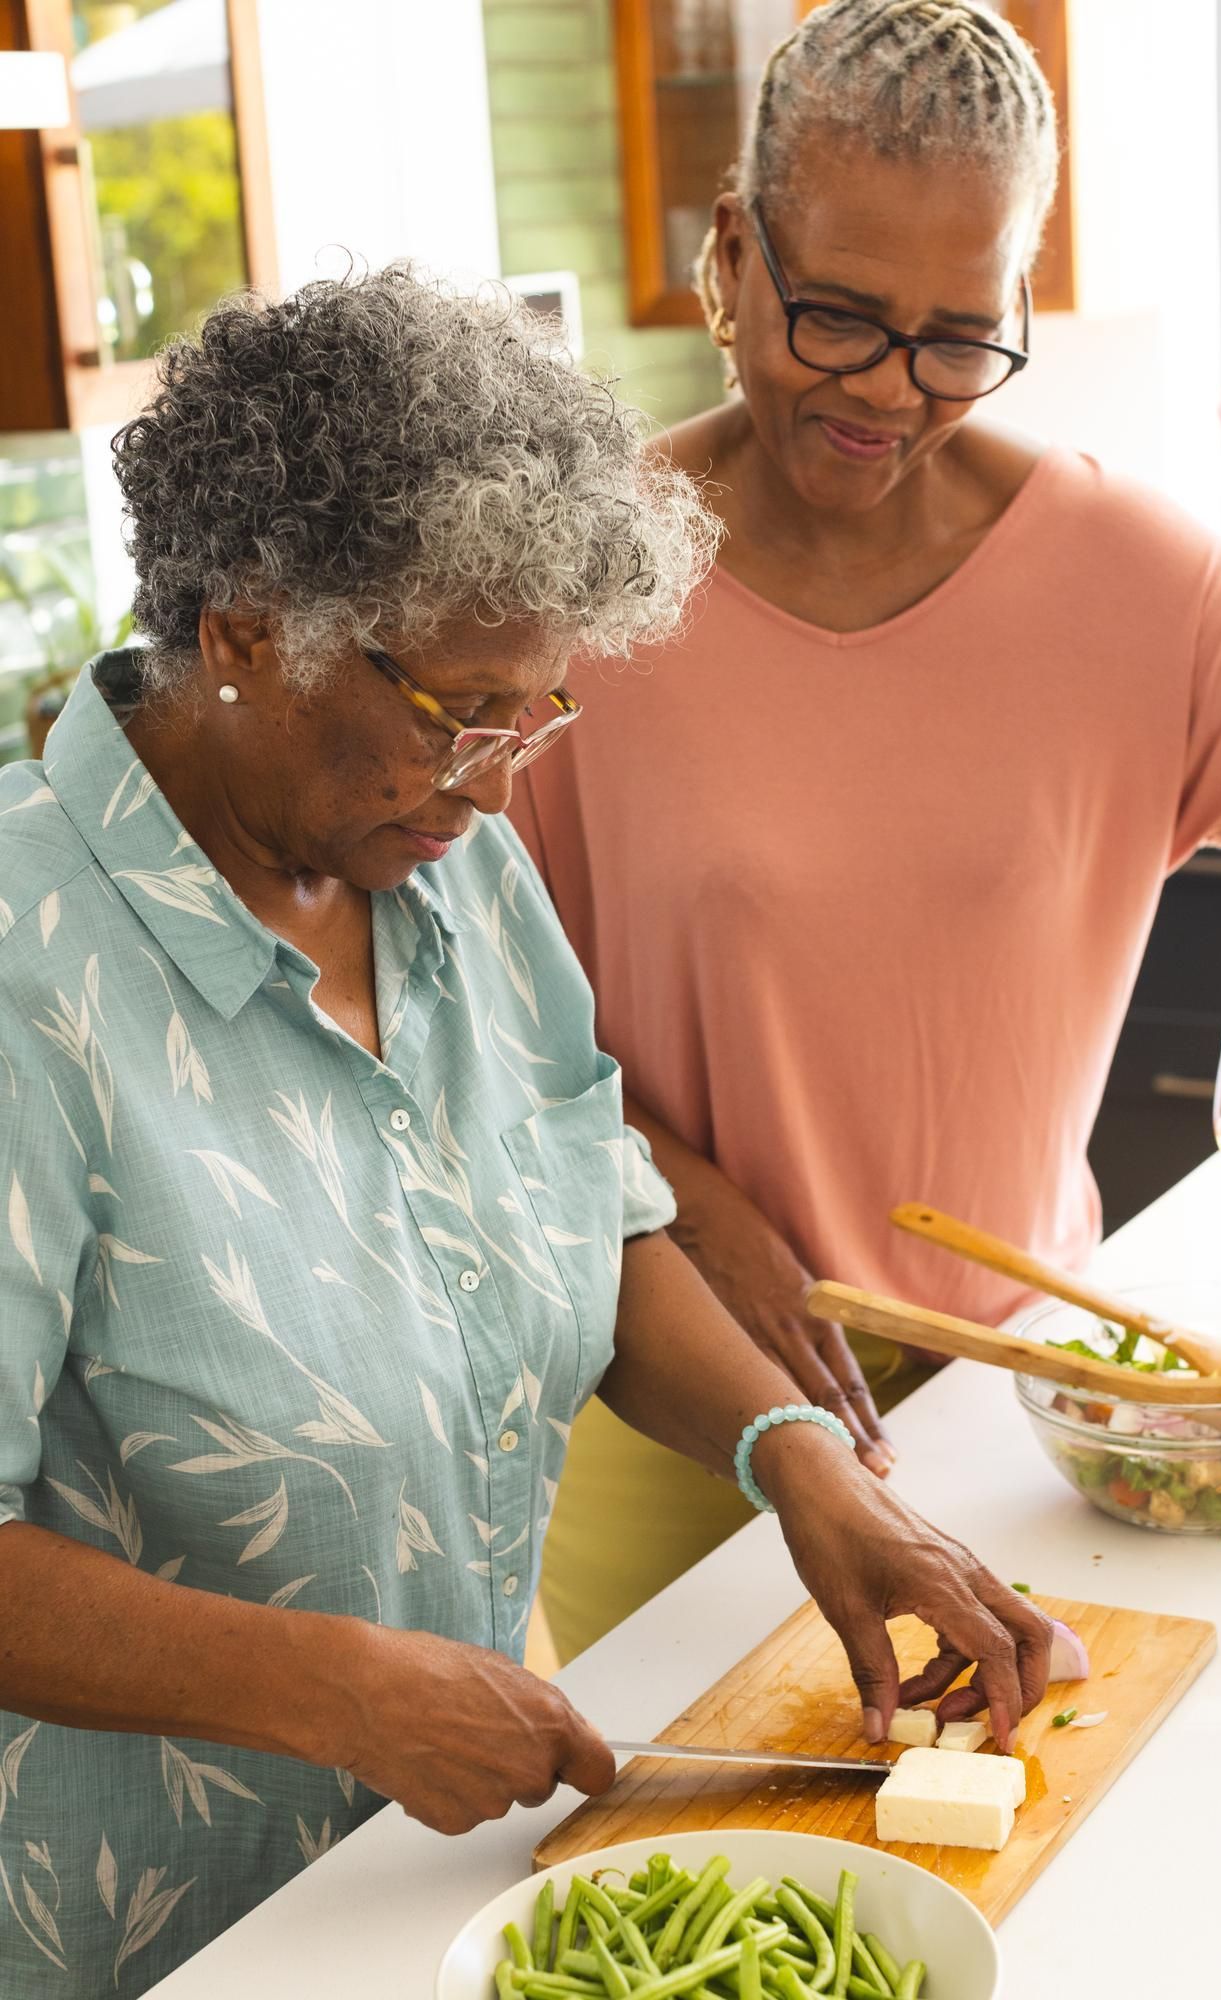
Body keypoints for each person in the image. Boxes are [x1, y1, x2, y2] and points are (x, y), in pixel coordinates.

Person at [0, 267, 1054, 1999]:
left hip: (439, 1895)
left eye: (535, 712)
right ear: (248, 631)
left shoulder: (450, 867)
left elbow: (591, 1213)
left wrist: (792, 1457)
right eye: (457, 713)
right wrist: (337, 1687)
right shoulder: (31, 977)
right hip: (159, 1942)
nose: (499, 784)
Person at [509, 0, 1221, 1664]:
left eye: (957, 337)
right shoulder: (558, 603)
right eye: (837, 317)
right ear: (731, 255)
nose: (889, 393)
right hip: (681, 1416)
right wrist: (660, 1192)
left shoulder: (1142, 595)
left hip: (1023, 1425)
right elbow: (456, 1050)